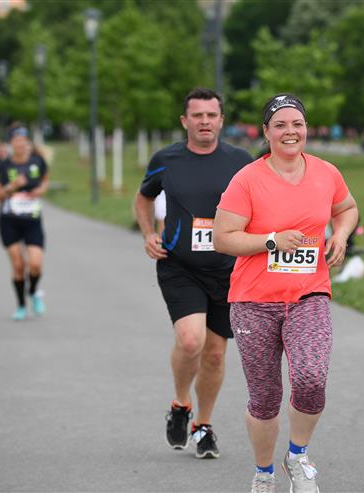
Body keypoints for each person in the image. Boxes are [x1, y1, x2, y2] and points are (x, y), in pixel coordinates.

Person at [213, 93, 359, 493]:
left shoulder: (326, 173)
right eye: (280, 125)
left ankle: (297, 456)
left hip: (308, 296)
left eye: (297, 124)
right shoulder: (248, 179)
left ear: (306, 128)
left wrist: (341, 235)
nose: (290, 131)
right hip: (253, 302)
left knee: (311, 379)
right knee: (264, 398)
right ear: (266, 132)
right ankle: (263, 473)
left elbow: (347, 208)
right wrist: (271, 241)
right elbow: (223, 238)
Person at [134, 88, 253, 459]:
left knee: (215, 354)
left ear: (221, 120)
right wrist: (148, 234)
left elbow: (260, 203)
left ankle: (203, 425)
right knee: (190, 341)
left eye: (211, 115)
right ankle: (181, 403)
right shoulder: (166, 159)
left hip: (227, 269)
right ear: (185, 121)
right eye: (197, 115)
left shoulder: (241, 161)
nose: (204, 122)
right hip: (179, 266)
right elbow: (144, 197)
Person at [0, 127, 50, 321]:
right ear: (11, 143)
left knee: (35, 264)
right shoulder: (4, 165)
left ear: (27, 142)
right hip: (9, 221)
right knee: (18, 265)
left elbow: (45, 181)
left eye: (23, 140)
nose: (20, 143)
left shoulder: (37, 161)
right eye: (16, 140)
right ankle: (21, 306)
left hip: (32, 220)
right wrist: (12, 186)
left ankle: (33, 291)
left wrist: (40, 190)